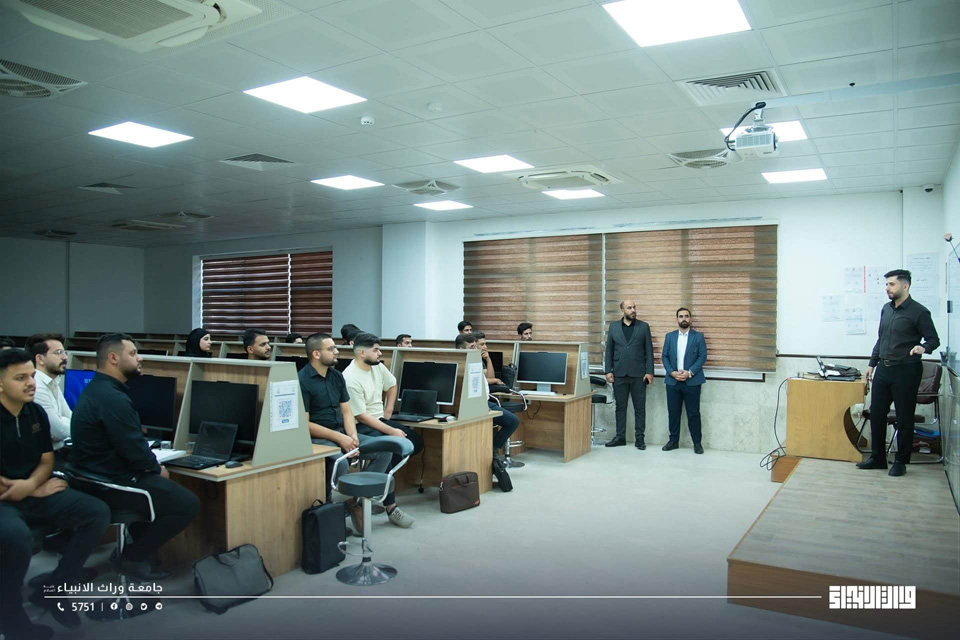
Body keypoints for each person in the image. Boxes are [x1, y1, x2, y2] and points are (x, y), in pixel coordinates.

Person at [0, 348, 111, 639]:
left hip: (33, 491)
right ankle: (12, 619)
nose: (31, 383)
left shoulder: (34, 412)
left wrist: (31, 486)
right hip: (5, 501)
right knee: (16, 538)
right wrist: (31, 488)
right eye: (20, 378)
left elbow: (46, 460)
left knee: (96, 512)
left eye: (31, 376)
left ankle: (55, 588)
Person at [70, 334, 200, 580]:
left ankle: (138, 553)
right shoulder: (113, 399)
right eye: (132, 353)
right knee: (187, 504)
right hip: (112, 483)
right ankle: (132, 557)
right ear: (113, 358)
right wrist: (156, 469)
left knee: (162, 492)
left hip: (94, 477)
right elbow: (134, 450)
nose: (139, 358)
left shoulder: (97, 389)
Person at [858, 270, 940, 477]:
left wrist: (923, 348)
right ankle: (878, 458)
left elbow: (933, 340)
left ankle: (901, 462)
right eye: (887, 284)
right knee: (877, 414)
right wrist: (872, 364)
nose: (887, 288)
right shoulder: (886, 309)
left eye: (892, 284)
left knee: (904, 417)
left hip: (906, 370)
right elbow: (881, 339)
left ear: (905, 286)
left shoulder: (919, 312)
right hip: (884, 369)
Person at [342, 333, 421, 528]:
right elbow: (361, 416)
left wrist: (388, 411)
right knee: (392, 447)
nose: (380, 353)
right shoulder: (350, 377)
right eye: (376, 350)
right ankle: (389, 506)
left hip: (379, 419)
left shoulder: (377, 366)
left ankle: (370, 490)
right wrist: (391, 431)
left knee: (416, 443)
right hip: (361, 425)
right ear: (362, 353)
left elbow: (392, 385)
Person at [297, 333, 369, 534]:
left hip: (342, 433)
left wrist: (352, 436)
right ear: (316, 354)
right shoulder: (302, 380)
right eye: (331, 349)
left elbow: (346, 411)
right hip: (318, 438)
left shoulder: (336, 376)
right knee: (341, 462)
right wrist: (340, 438)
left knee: (383, 450)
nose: (337, 352)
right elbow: (304, 424)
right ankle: (334, 508)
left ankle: (355, 500)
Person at [455, 334, 519, 456]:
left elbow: (488, 377)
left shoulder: (475, 361)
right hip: (475, 405)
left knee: (512, 421)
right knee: (511, 421)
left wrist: (488, 360)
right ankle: (491, 453)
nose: (477, 349)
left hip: (484, 401)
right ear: (461, 350)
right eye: (472, 347)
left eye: (476, 346)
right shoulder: (461, 365)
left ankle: (492, 450)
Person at [604, 300, 654, 449]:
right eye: (629, 308)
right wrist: (608, 370)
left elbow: (649, 351)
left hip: (639, 374)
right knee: (620, 407)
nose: (633, 310)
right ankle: (620, 437)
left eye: (634, 307)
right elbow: (609, 350)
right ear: (622, 311)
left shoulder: (643, 327)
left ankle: (640, 438)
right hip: (619, 373)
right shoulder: (614, 327)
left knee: (640, 408)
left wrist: (649, 371)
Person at [660, 308, 707, 454]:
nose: (684, 318)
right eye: (681, 316)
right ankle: (673, 441)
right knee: (673, 413)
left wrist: (689, 373)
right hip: (673, 382)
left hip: (692, 381)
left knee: (693, 413)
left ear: (690, 319)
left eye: (686, 316)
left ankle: (697, 443)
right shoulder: (669, 337)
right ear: (677, 319)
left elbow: (702, 357)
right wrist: (672, 372)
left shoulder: (698, 337)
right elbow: (664, 357)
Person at [25, 334, 72, 460]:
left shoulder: (52, 382)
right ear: (40, 359)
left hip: (60, 452)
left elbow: (72, 417)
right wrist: (63, 421)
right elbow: (58, 431)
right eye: (58, 352)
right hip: (44, 458)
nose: (65, 357)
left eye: (64, 352)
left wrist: (63, 420)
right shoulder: (37, 386)